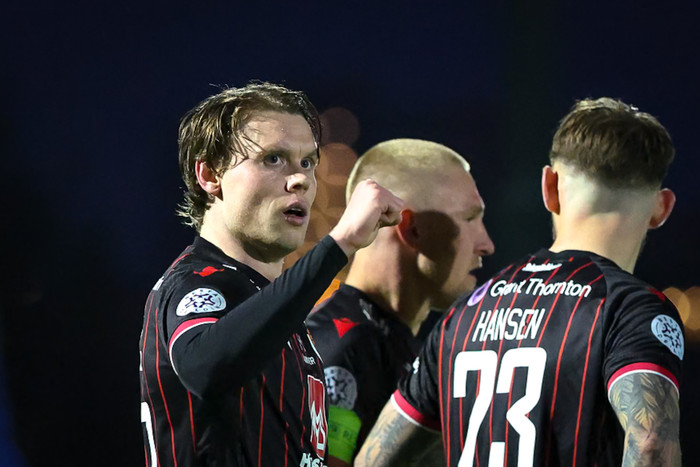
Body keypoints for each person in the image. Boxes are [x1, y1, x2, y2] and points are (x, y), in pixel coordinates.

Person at [357, 97, 684, 466]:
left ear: (549, 187)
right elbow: (651, 443)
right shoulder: (631, 310)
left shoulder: (464, 315)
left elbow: (372, 460)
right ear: (662, 208)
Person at [138, 82, 404, 466]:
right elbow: (205, 367)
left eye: (307, 162)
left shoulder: (277, 312)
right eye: (273, 159)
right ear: (210, 175)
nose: (300, 179)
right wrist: (341, 242)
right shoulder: (197, 282)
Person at [306, 139, 495, 465]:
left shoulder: (399, 344)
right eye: (469, 218)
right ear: (411, 229)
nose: (486, 244)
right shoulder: (336, 350)